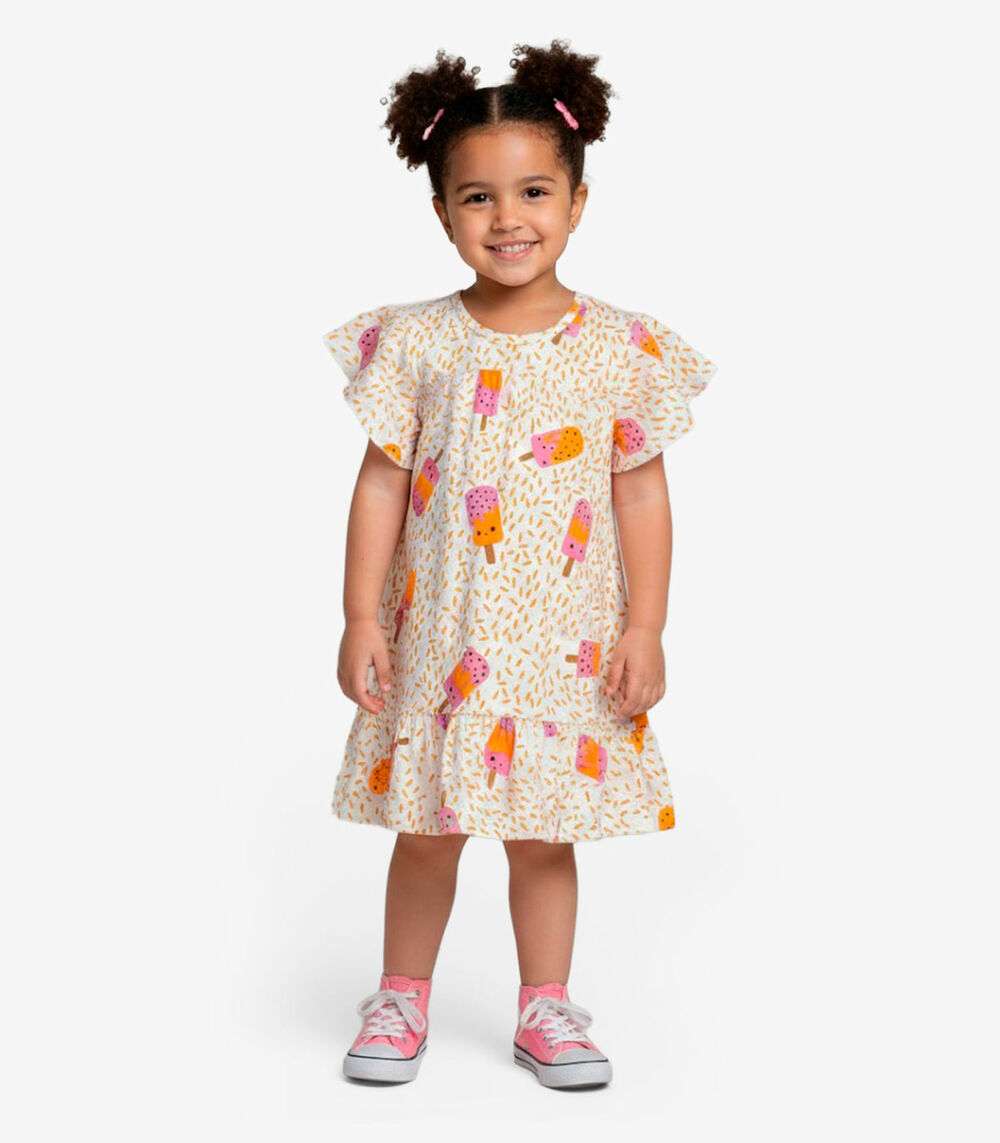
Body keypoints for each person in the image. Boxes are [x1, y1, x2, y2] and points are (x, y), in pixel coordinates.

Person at [322, 39, 717, 1089]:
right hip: (441, 639)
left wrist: (645, 627)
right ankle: (400, 996)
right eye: (478, 197)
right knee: (428, 829)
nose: (508, 218)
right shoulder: (416, 343)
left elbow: (640, 492)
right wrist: (360, 616)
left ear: (578, 202)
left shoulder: (622, 348)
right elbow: (381, 485)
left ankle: (546, 1006)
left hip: (561, 650)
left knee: (543, 837)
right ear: (442, 213)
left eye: (534, 191)